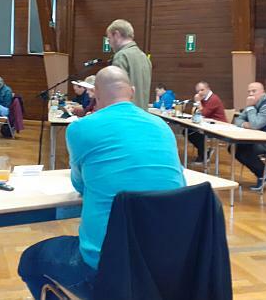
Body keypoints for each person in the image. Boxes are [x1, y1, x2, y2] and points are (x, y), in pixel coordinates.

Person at [18, 66, 186, 299]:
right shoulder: (162, 127)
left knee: (29, 261)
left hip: (105, 270)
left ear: (95, 93)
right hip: (166, 266)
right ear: (132, 91)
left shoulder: (80, 128)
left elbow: (80, 185)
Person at [106, 19, 152, 110]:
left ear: (116, 35)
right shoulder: (144, 57)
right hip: (141, 114)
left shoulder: (121, 56)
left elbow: (116, 92)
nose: (110, 44)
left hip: (124, 114)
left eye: (109, 38)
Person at [189, 81, 227, 164]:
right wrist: (197, 103)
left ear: (208, 89)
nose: (200, 93)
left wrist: (198, 102)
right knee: (188, 131)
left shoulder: (213, 99)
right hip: (206, 124)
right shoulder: (203, 98)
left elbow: (203, 113)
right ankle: (205, 152)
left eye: (202, 90)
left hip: (218, 126)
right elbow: (197, 113)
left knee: (194, 133)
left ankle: (204, 155)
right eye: (198, 91)